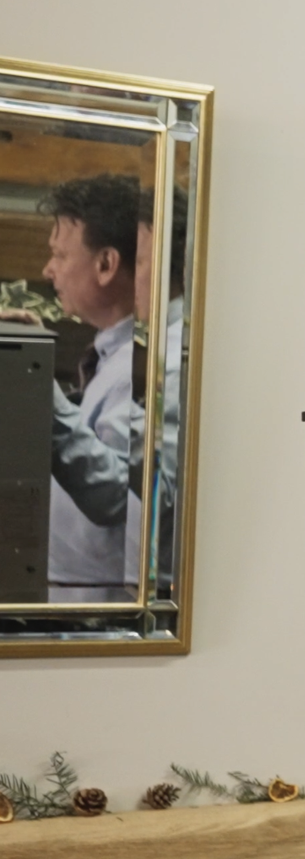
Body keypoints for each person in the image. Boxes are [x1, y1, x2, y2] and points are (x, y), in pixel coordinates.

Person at [39, 173, 144, 602]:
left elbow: (119, 496)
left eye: (60, 255)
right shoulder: (112, 359)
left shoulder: (143, 367)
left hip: (97, 612)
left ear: (105, 264)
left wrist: (32, 386)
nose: (48, 270)